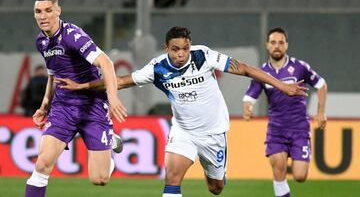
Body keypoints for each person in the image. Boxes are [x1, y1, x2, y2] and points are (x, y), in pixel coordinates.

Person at [55, 26, 307, 197]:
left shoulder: (204, 56)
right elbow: (120, 81)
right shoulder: (157, 69)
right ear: (167, 49)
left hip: (213, 134)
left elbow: (245, 68)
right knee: (172, 177)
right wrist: (82, 85)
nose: (182, 53)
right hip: (183, 132)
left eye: (185, 48)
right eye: (176, 49)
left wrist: (282, 85)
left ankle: (217, 174)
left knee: (216, 187)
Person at [25, 0, 127, 197]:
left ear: (58, 11)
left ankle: (108, 153)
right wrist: (45, 105)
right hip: (63, 108)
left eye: (48, 10)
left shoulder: (72, 35)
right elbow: (53, 74)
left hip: (92, 107)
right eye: (38, 11)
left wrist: (113, 97)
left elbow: (106, 63)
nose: (43, 16)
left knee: (99, 179)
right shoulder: (41, 41)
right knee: (42, 164)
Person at [242, 27, 327, 197]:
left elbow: (321, 84)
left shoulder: (299, 67)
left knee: (300, 176)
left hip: (299, 129)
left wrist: (321, 112)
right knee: (278, 169)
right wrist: (247, 108)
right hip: (276, 129)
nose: (277, 46)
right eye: (273, 42)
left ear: (286, 45)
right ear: (267, 45)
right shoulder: (262, 72)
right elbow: (250, 96)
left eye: (281, 42)